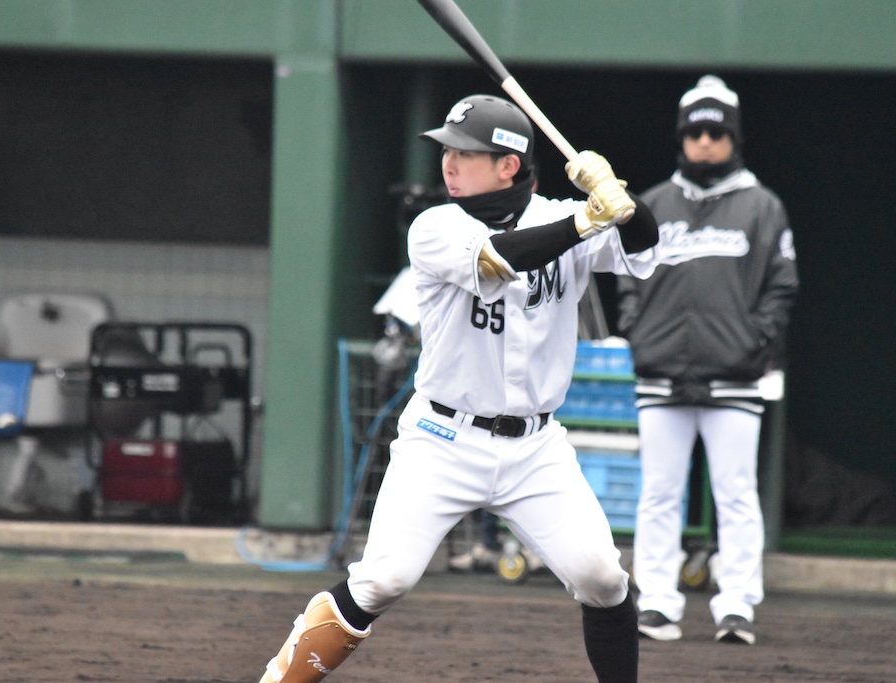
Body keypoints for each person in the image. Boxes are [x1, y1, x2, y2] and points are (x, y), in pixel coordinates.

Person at [254, 93, 660, 683]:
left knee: (603, 577)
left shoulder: (561, 217)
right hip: (442, 437)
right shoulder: (436, 225)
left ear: (508, 166)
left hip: (535, 449)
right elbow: (499, 258)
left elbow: (645, 246)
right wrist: (587, 219)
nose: (448, 163)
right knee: (383, 578)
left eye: (466, 153)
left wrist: (625, 202)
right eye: (447, 150)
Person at [615, 75, 799, 646]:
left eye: (716, 131)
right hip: (661, 374)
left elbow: (782, 288)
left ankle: (737, 605)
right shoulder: (652, 203)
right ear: (682, 135)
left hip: (734, 378)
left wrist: (752, 342)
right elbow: (626, 278)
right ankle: (657, 605)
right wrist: (638, 333)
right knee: (659, 492)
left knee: (736, 493)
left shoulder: (764, 206)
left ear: (734, 138)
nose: (705, 141)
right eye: (695, 130)